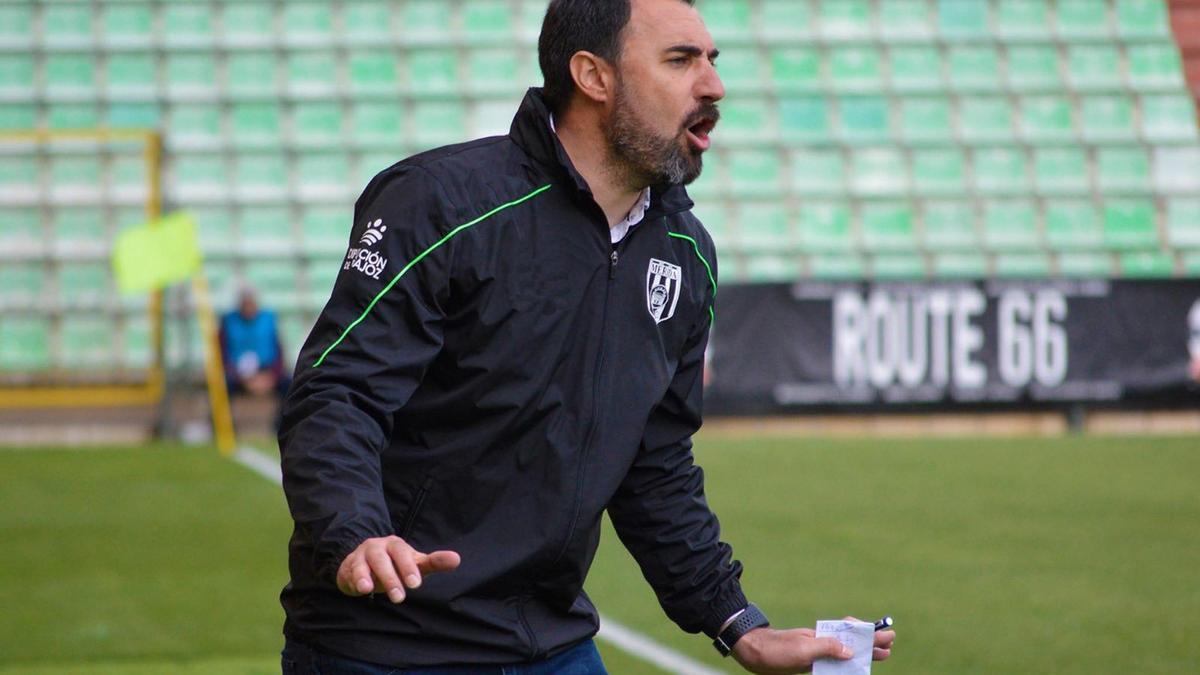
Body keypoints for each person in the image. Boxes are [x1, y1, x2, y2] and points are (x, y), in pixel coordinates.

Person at [278, 1, 896, 673]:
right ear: (593, 77)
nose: (714, 84)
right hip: (388, 643)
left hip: (551, 642)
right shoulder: (442, 204)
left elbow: (655, 465)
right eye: (681, 59)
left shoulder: (687, 254)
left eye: (713, 60)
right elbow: (338, 393)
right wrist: (355, 531)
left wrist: (739, 622)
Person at [219, 287, 290, 430]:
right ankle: (224, 427)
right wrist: (243, 379)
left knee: (290, 384)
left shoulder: (269, 319)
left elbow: (279, 352)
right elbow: (223, 355)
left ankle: (281, 425)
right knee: (221, 386)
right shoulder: (228, 322)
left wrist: (272, 376)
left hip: (266, 372)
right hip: (238, 374)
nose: (248, 307)